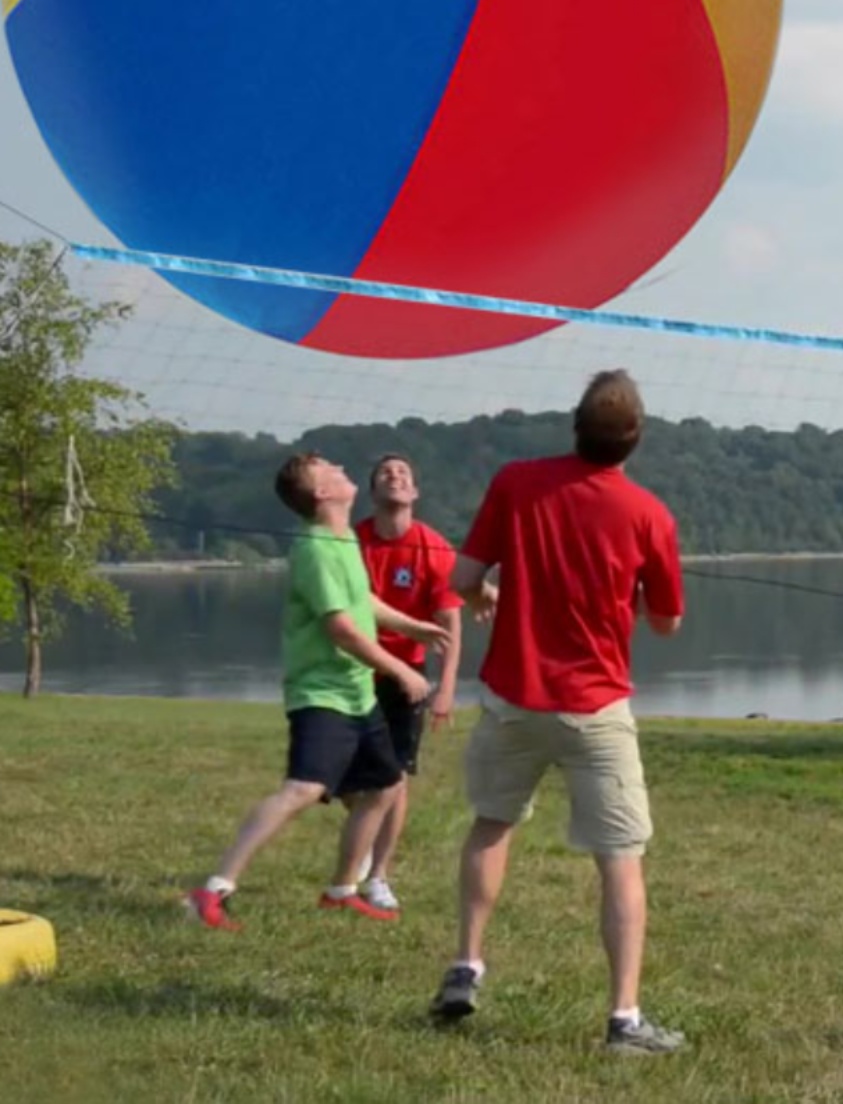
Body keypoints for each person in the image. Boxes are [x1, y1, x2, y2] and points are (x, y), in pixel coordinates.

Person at [429, 370, 687, 1055]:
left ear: (574, 427)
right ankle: (624, 1021)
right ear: (634, 441)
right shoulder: (650, 514)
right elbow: (665, 624)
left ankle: (466, 966)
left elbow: (458, 580)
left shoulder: (516, 482)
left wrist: (486, 585)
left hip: (513, 697)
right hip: (595, 706)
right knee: (620, 860)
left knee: (492, 825)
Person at [186, 452, 447, 931]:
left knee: (385, 787)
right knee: (303, 789)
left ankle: (342, 891)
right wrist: (402, 671)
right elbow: (341, 628)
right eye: (332, 470)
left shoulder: (343, 538)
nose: (343, 470)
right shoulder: (313, 547)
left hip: (356, 692)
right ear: (322, 493)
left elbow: (362, 599)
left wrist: (413, 625)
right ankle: (212, 889)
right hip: (322, 693)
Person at [339, 453, 463, 914]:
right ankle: (365, 834)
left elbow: (449, 625)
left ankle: (377, 876)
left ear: (414, 493)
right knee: (339, 777)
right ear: (373, 494)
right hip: (354, 668)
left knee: (395, 779)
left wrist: (446, 688)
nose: (395, 477)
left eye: (404, 474)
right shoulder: (353, 543)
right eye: (385, 474)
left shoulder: (433, 547)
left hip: (407, 675)